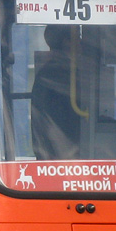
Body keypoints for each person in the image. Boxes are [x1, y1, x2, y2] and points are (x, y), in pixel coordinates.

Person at [31, 25, 86, 160]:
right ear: (66, 42)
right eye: (77, 37)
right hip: (62, 154)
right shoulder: (58, 73)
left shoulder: (54, 70)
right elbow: (58, 121)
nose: (81, 42)